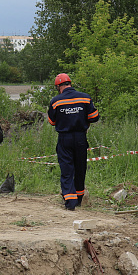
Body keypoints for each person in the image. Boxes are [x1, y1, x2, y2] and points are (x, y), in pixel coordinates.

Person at [47, 73, 100, 210]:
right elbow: (94, 117)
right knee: (80, 168)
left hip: (65, 138)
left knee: (67, 169)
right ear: (70, 84)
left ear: (59, 86)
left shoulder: (56, 101)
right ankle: (79, 199)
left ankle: (70, 202)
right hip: (81, 137)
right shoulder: (85, 98)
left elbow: (52, 122)